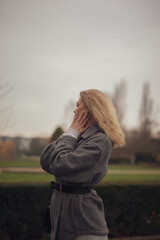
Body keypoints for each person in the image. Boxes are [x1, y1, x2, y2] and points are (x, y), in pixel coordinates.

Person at [40, 89, 125, 240]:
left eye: (77, 105)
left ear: (90, 109)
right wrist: (70, 133)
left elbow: (59, 164)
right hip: (62, 213)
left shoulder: (100, 141)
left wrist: (71, 134)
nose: (75, 109)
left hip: (83, 223)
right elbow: (46, 160)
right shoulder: (76, 135)